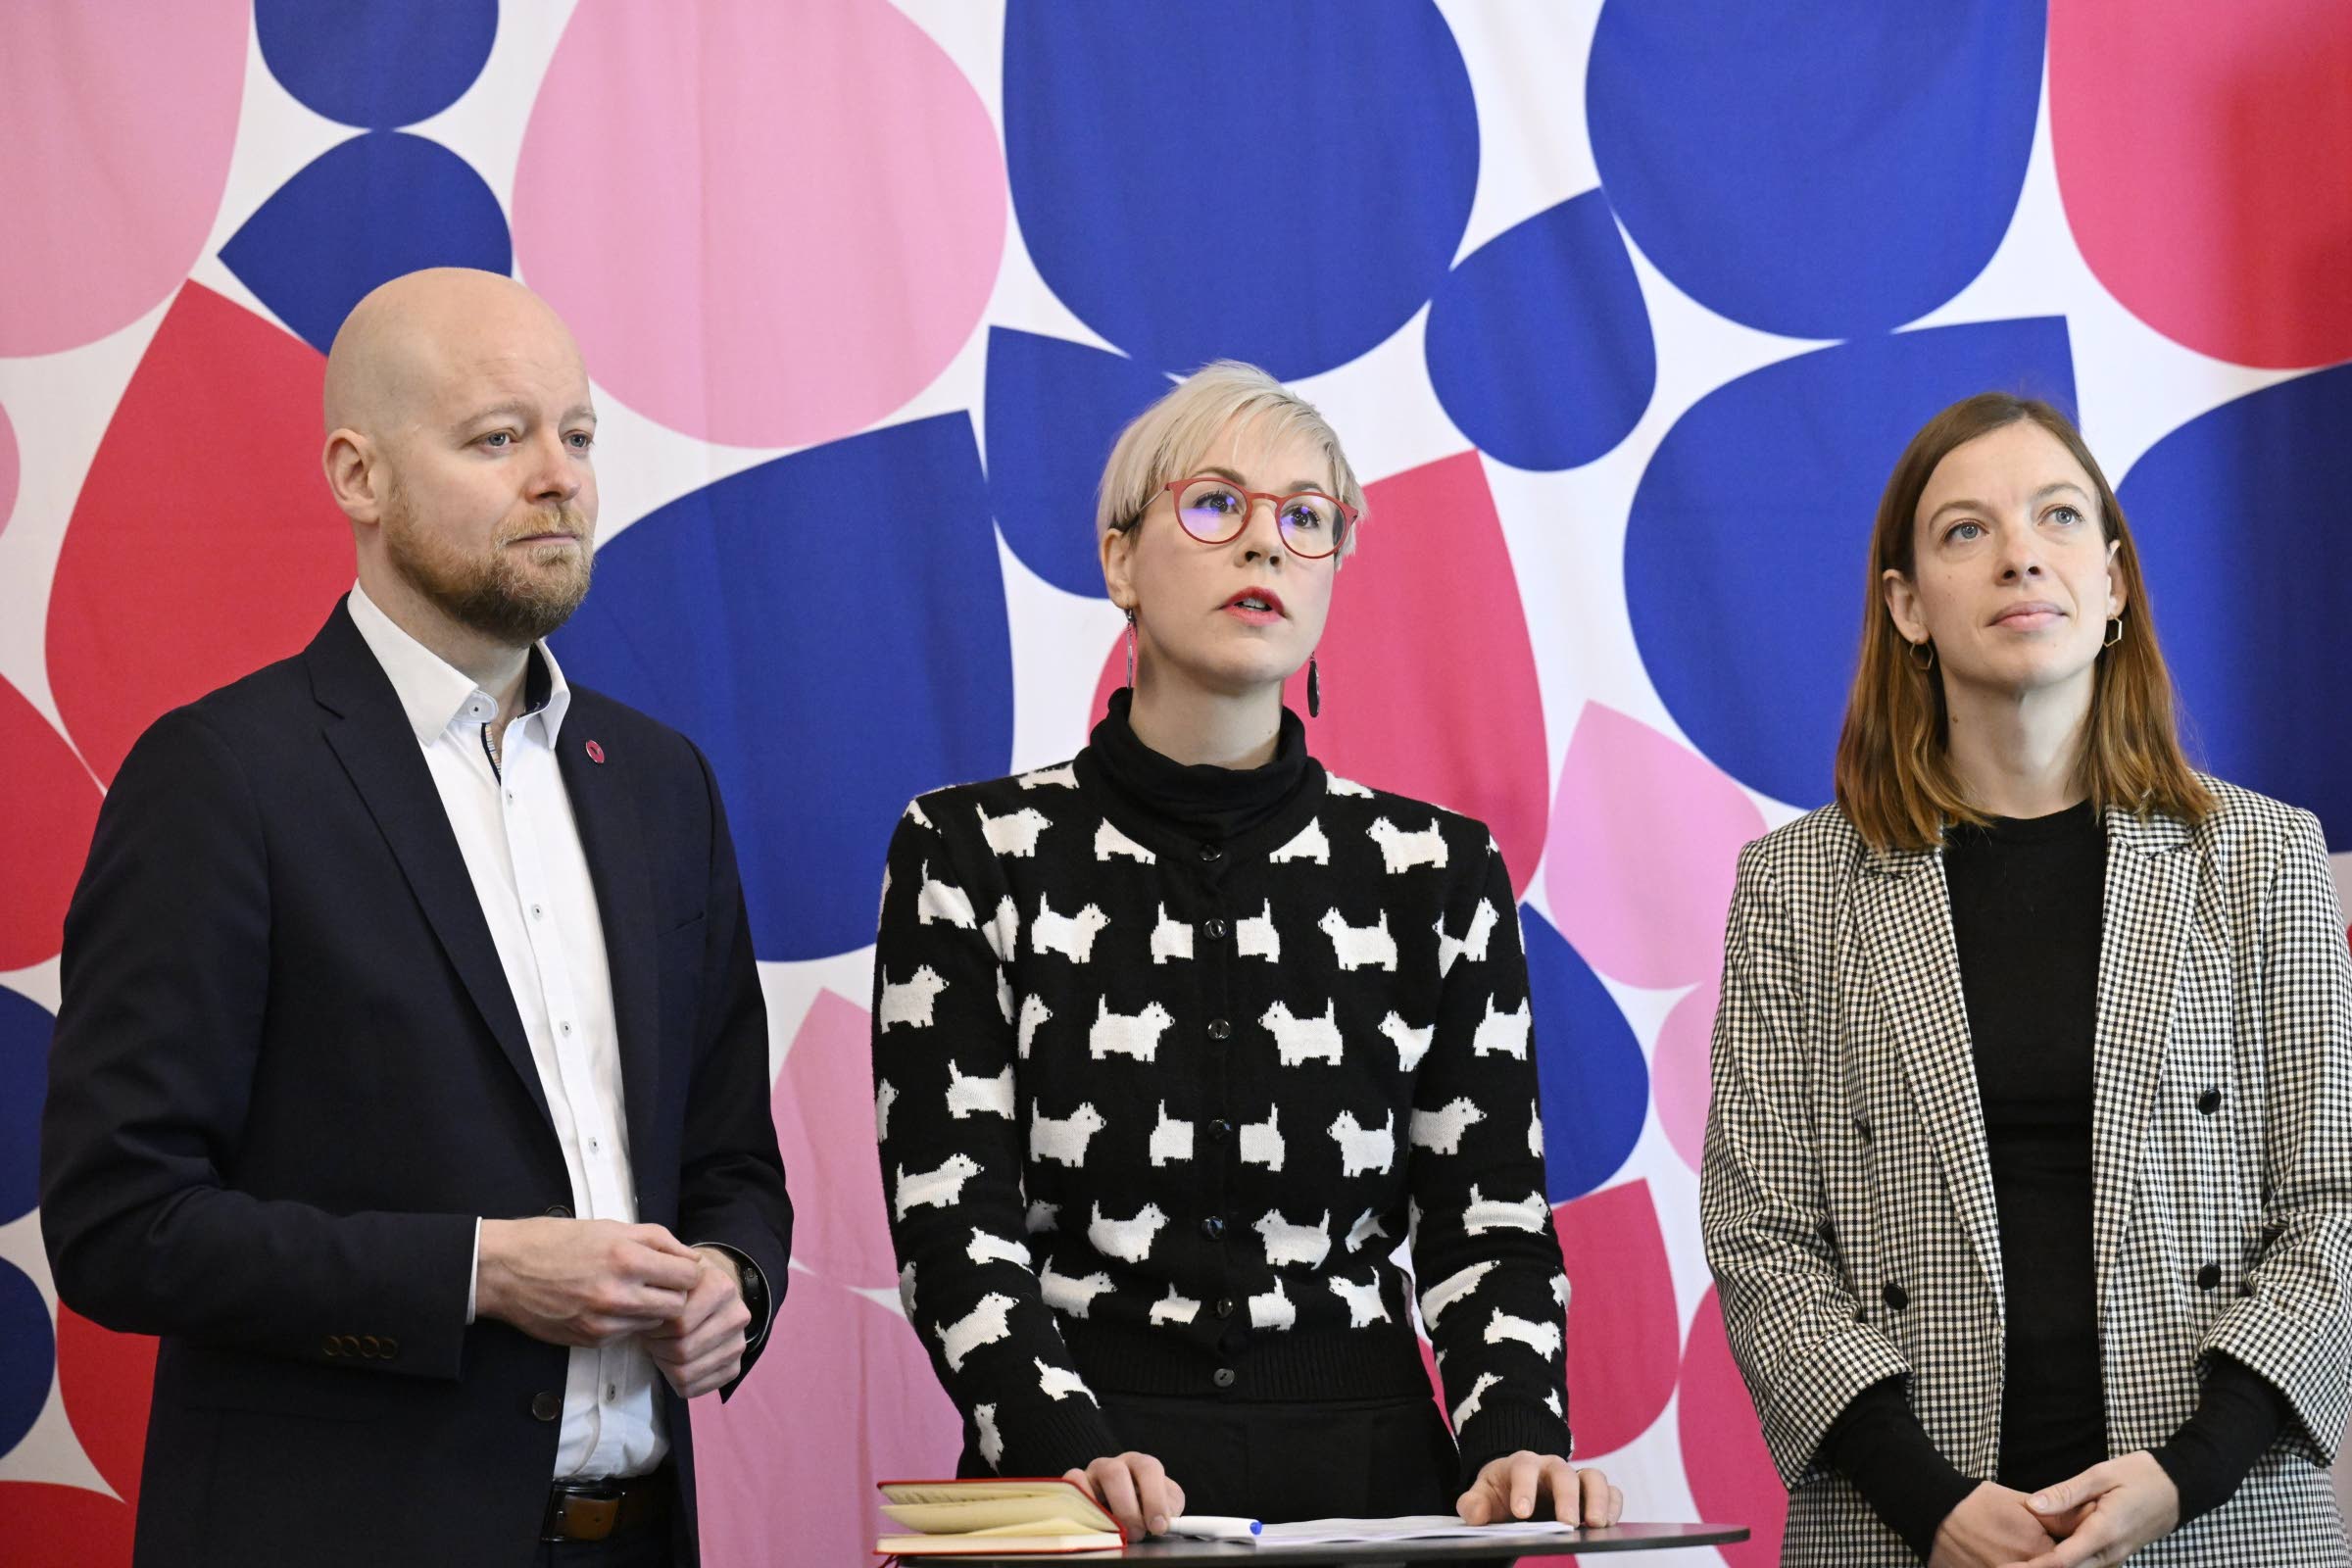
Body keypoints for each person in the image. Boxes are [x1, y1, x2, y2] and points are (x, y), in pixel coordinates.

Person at [39, 268, 793, 1568]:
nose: (559, 477)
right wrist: (479, 1272)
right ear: (360, 476)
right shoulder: (223, 778)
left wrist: (736, 1278)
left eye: (577, 434)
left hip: (636, 1540)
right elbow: (119, 1225)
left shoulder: (661, 784)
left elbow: (732, 1164)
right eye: (499, 438)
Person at [869, 361, 1622, 1542]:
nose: (1266, 542)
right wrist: (1067, 1454)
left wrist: (1516, 1442)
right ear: (1120, 559)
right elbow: (953, 1224)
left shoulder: (1437, 872)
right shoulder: (970, 854)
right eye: (1215, 504)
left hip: (1375, 1491)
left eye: (1307, 517)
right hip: (1080, 1494)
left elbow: (1488, 1223)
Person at [1700, 392, 2352, 1567]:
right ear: (1907, 604)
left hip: (2223, 1515)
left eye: (2058, 516)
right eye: (1966, 530)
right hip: (1903, 1529)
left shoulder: (2264, 857)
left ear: (2113, 582)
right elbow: (1761, 1231)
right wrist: (1930, 1501)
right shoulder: (1796, 885)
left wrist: (2187, 1471)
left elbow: (2335, 1201)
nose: (2020, 554)